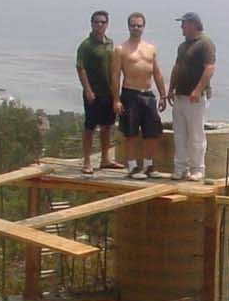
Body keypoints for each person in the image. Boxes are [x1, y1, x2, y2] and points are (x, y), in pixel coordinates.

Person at [110, 11, 167, 179]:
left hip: (148, 94)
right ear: (128, 27)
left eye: (139, 25)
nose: (136, 28)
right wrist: (116, 99)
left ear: (144, 27)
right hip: (130, 94)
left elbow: (156, 72)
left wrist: (163, 95)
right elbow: (115, 75)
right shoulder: (121, 49)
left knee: (152, 132)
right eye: (133, 25)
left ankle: (149, 165)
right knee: (131, 132)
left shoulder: (151, 49)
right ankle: (133, 166)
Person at [169, 11, 215, 181]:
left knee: (196, 133)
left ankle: (198, 168)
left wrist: (197, 89)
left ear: (194, 25)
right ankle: (180, 167)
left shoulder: (205, 44)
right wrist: (170, 89)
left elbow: (209, 68)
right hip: (180, 94)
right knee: (179, 133)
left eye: (184, 24)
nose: (182, 27)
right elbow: (177, 67)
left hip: (195, 97)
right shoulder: (182, 46)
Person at [75, 9, 121, 172]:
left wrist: (116, 94)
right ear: (92, 24)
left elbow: (114, 68)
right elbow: (80, 68)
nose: (99, 25)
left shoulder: (110, 43)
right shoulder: (86, 45)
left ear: (107, 24)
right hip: (93, 93)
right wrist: (87, 90)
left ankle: (105, 159)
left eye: (103, 22)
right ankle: (87, 161)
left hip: (108, 92)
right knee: (90, 127)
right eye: (96, 22)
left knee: (107, 126)